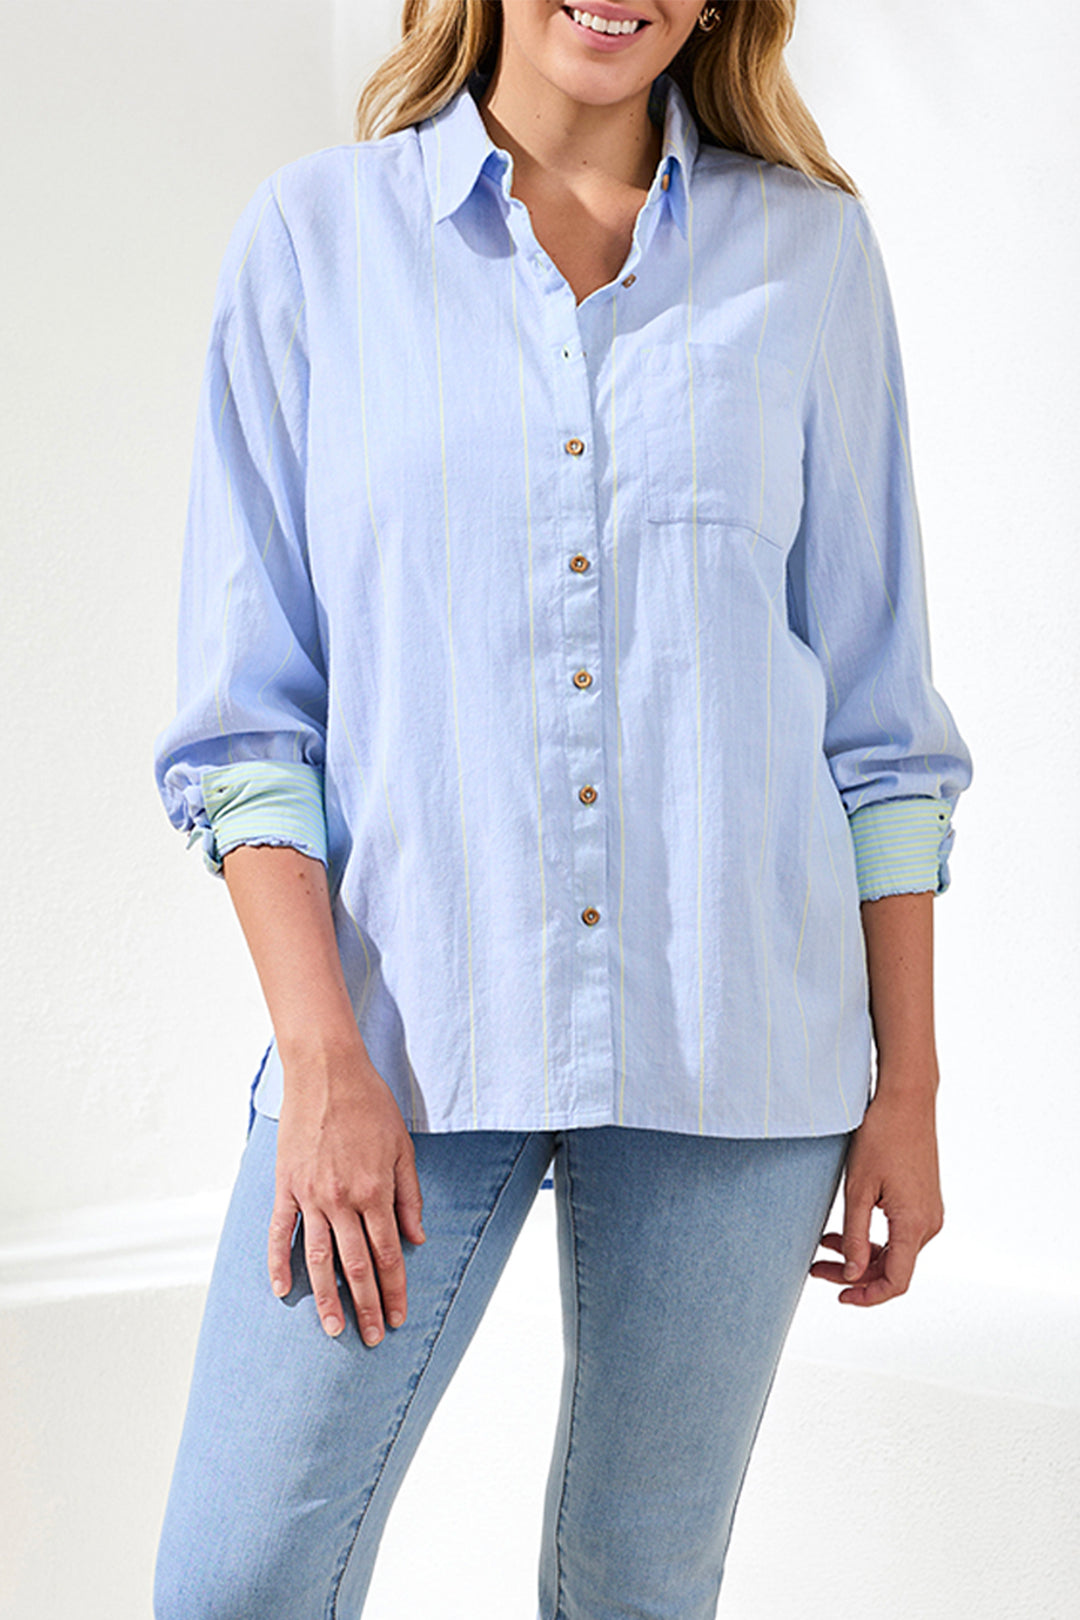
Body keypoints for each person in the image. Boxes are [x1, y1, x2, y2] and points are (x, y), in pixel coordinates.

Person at [151, 2, 973, 1616]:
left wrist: (913, 1087)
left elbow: (880, 724)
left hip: (744, 1048)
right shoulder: (316, 242)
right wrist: (320, 1061)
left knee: (638, 1587)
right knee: (232, 1579)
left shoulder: (808, 260)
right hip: (403, 1041)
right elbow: (249, 714)